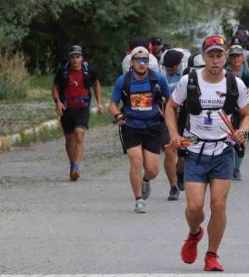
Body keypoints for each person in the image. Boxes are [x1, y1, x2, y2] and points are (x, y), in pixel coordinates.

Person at [166, 35, 249, 271]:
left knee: (218, 205)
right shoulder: (189, 81)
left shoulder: (235, 84)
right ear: (203, 57)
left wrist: (242, 132)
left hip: (223, 151)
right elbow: (171, 107)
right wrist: (174, 134)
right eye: (211, 55)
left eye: (219, 55)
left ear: (225, 57)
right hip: (194, 151)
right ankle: (194, 233)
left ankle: (212, 255)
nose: (215, 60)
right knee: (194, 208)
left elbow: (247, 115)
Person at [109, 47, 172, 213]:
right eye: (138, 60)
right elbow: (113, 104)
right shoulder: (123, 80)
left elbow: (171, 100)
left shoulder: (157, 79)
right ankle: (139, 200)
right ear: (132, 62)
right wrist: (117, 116)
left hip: (152, 126)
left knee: (152, 169)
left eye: (145, 60)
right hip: (131, 126)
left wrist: (166, 112)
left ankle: (146, 180)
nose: (142, 63)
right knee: (135, 161)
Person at [51, 45, 103, 181]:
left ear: (82, 58)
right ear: (69, 58)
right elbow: (55, 87)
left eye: (77, 57)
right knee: (69, 139)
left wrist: (99, 103)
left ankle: (76, 167)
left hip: (83, 107)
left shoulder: (89, 71)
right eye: (72, 57)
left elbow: (96, 84)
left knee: (79, 134)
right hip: (67, 108)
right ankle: (72, 164)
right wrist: (58, 102)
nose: (75, 60)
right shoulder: (63, 71)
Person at [159, 48, 191, 199]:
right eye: (168, 66)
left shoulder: (187, 75)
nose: (171, 69)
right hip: (166, 116)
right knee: (170, 151)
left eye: (174, 66)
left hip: (184, 117)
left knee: (183, 152)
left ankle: (180, 172)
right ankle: (173, 186)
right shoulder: (160, 76)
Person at [226, 45, 249, 180]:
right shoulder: (223, 74)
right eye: (233, 57)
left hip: (242, 111)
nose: (236, 59)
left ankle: (236, 169)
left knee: (240, 141)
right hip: (226, 111)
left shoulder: (248, 74)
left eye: (238, 56)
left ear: (243, 58)